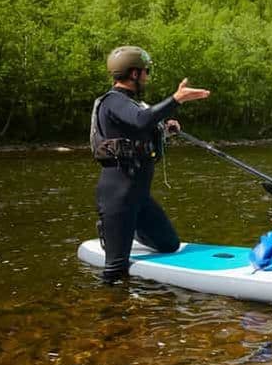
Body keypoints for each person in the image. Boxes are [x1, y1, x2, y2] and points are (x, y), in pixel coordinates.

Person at [90, 45, 210, 283]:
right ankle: (113, 232)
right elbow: (140, 120)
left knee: (169, 244)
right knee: (115, 271)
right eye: (146, 71)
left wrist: (165, 128)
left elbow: (141, 127)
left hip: (140, 196)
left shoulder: (132, 104)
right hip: (118, 197)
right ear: (134, 73)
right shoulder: (113, 101)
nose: (147, 76)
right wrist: (176, 99)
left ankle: (124, 230)